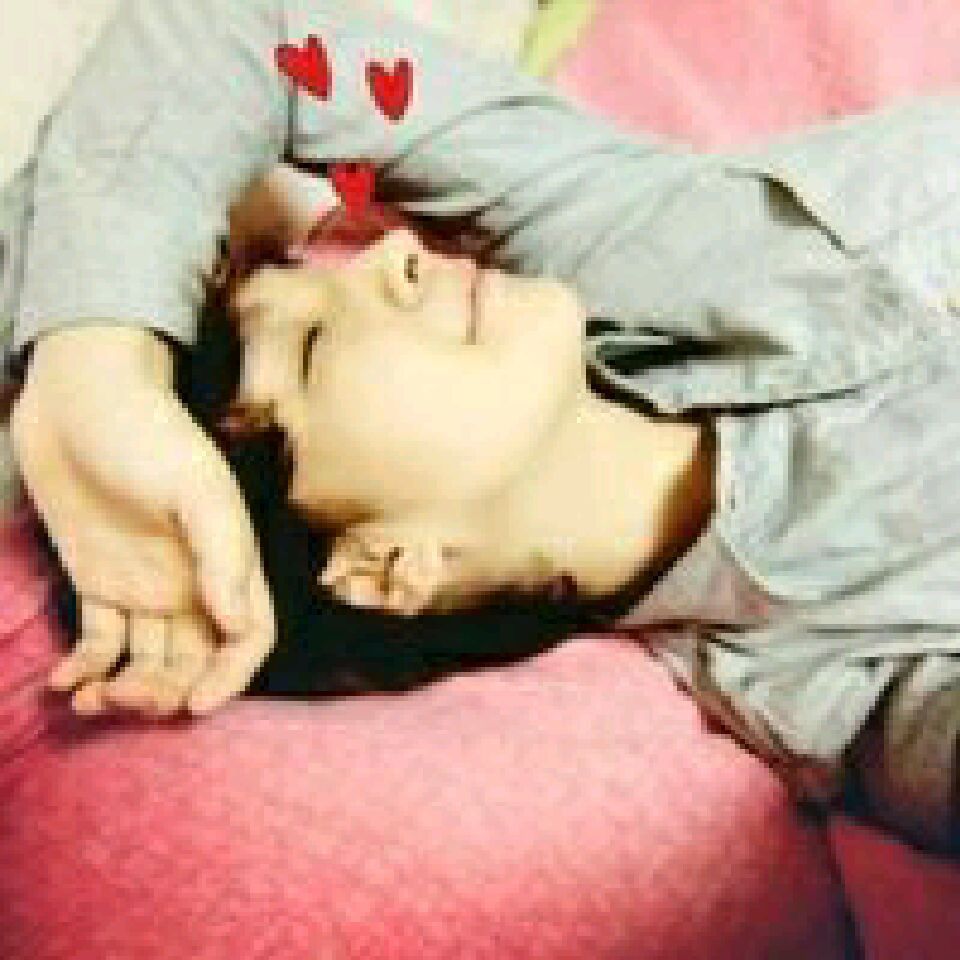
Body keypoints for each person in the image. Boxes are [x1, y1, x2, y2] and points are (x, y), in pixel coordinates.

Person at [6, 0, 960, 854]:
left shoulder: (604, 234)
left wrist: (99, 364)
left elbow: (243, 35)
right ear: (385, 568)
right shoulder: (830, 679)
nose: (391, 255)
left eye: (325, 276)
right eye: (311, 347)